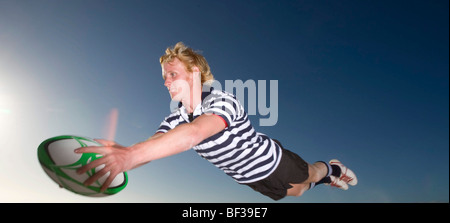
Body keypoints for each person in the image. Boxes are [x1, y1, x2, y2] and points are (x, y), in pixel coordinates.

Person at [76, 42, 357, 201]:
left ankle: (330, 167)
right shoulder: (174, 117)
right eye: (164, 76)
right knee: (297, 193)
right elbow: (156, 142)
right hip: (249, 177)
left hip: (273, 161)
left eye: (172, 73)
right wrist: (124, 158)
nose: (165, 81)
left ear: (195, 72)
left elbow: (194, 133)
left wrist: (129, 156)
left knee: (310, 175)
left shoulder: (221, 101)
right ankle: (328, 177)